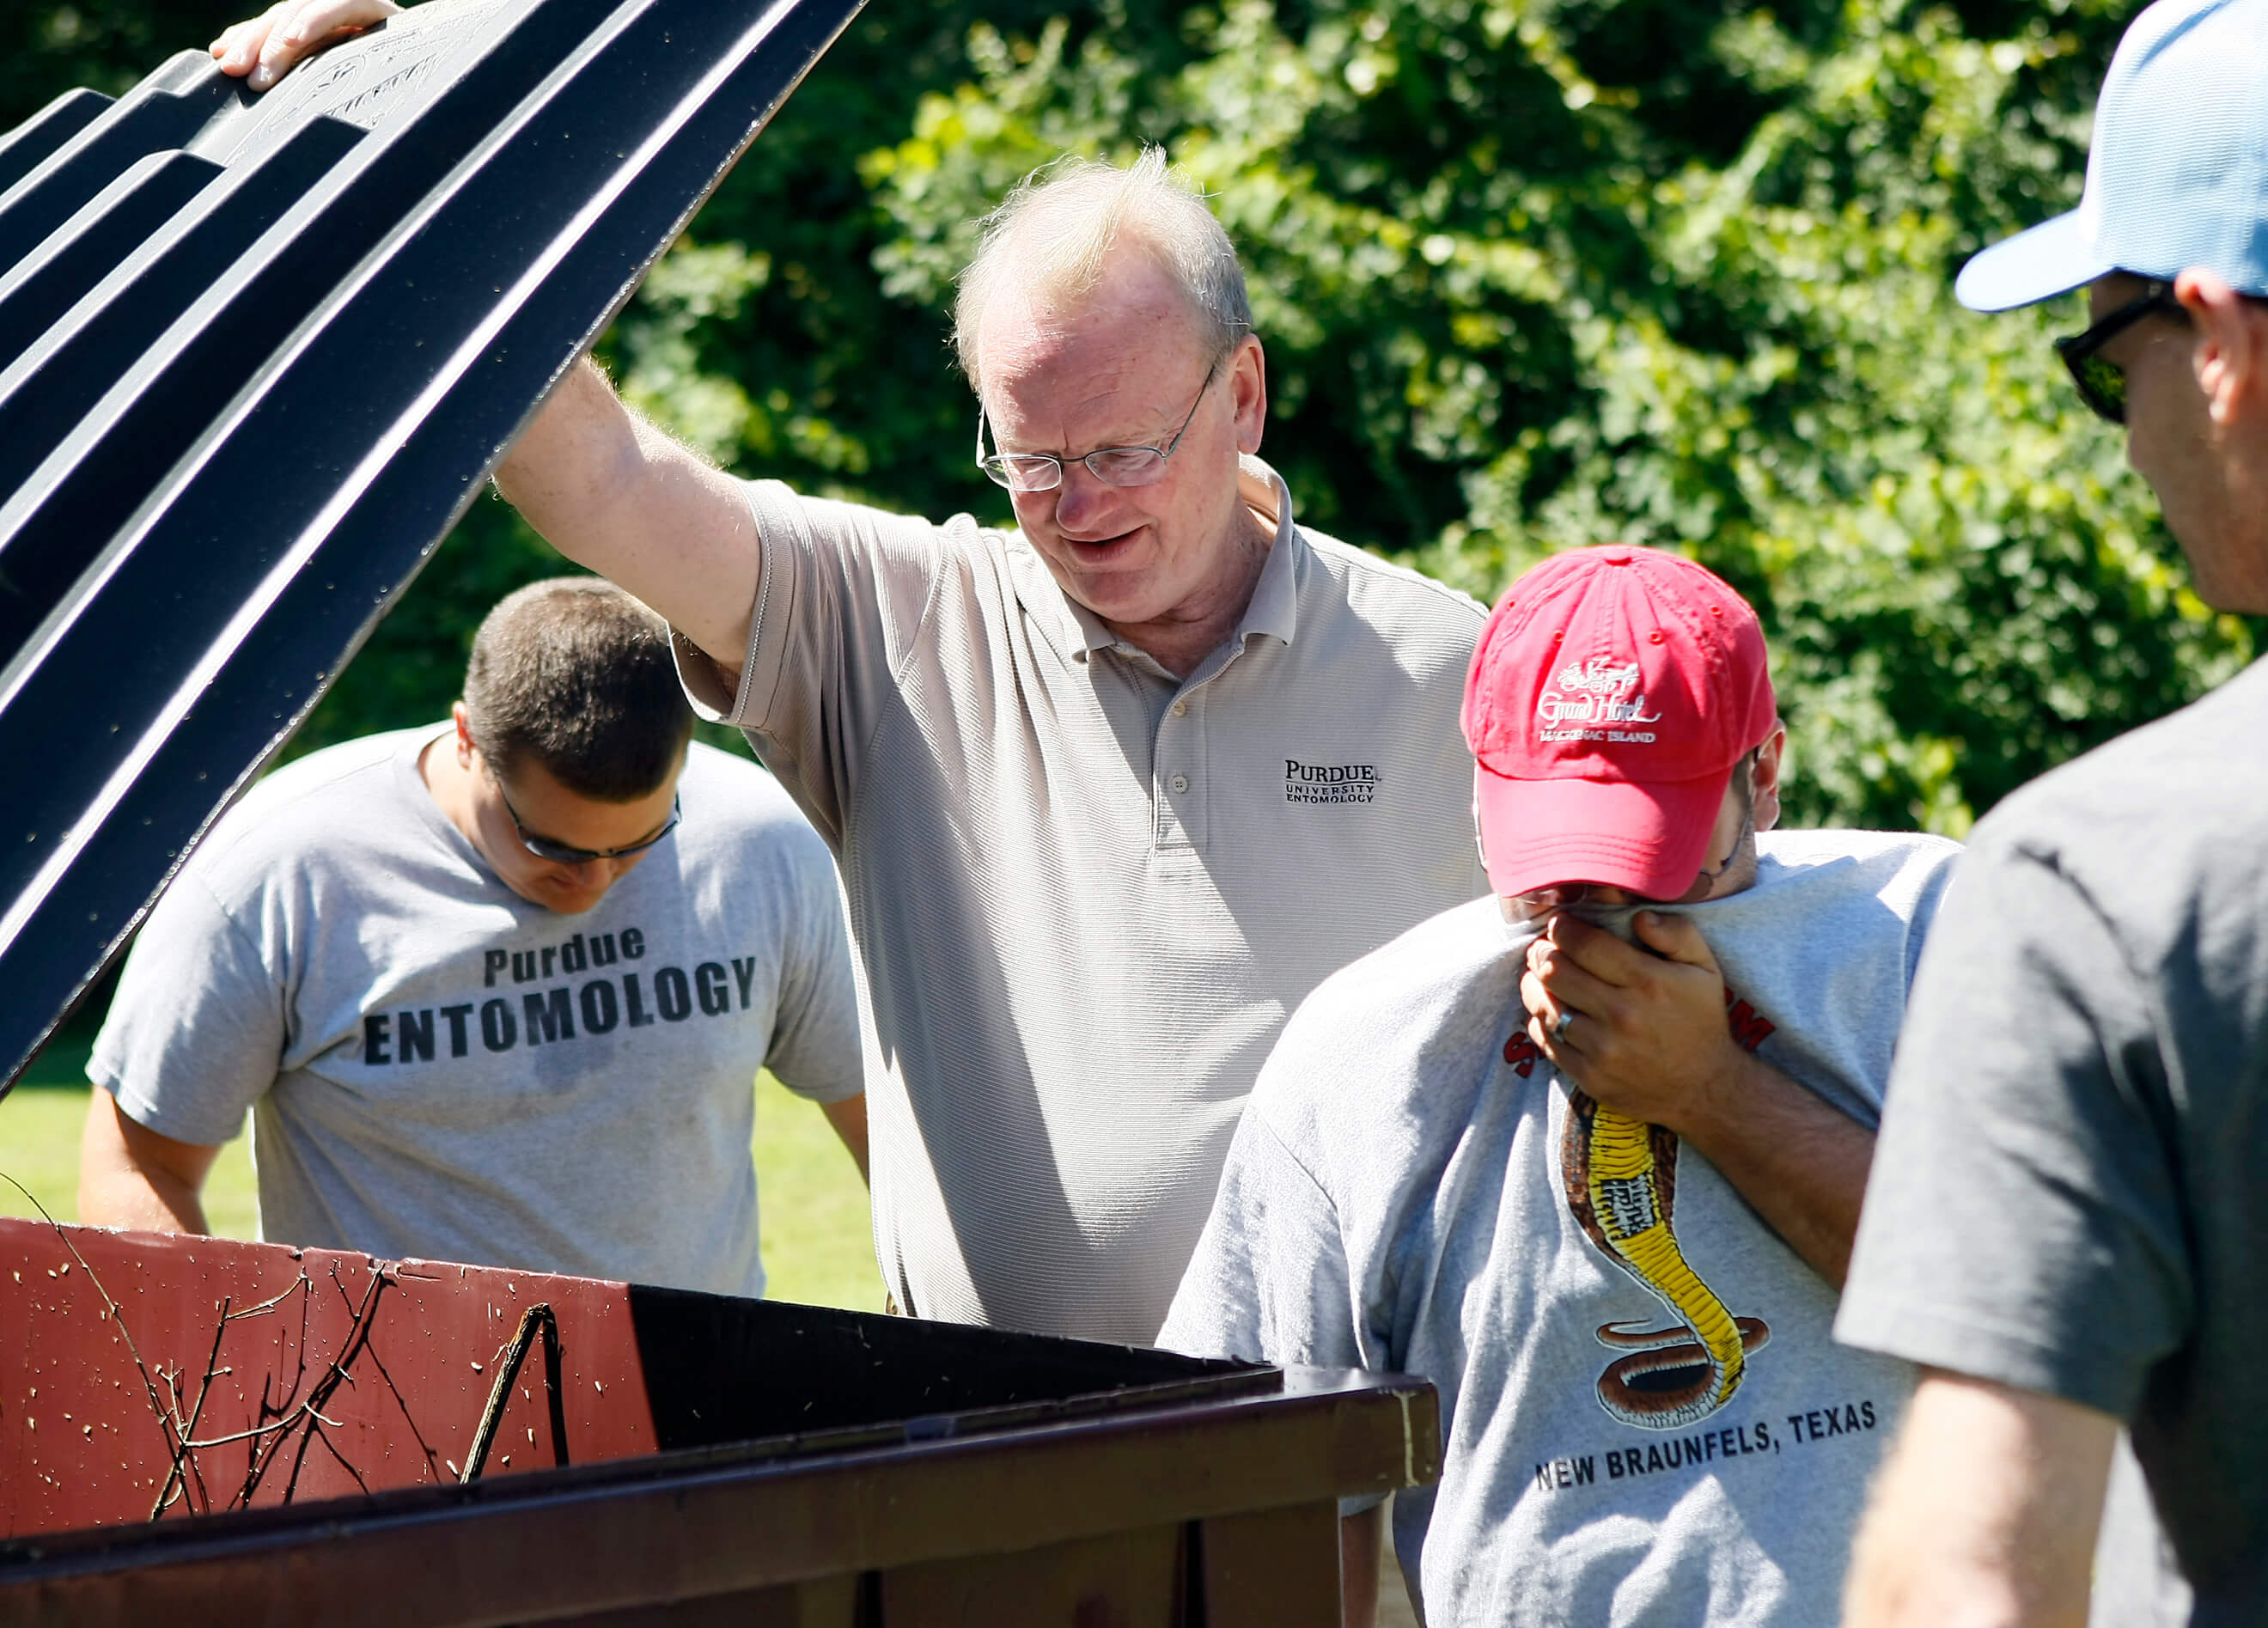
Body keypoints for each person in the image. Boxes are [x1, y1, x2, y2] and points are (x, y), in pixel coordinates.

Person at [202, 6, 1494, 1344]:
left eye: (1123, 449)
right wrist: (421, 145)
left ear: (1243, 393)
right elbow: (603, 477)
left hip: (1370, 1472)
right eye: (1029, 458)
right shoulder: (903, 628)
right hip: (1004, 1473)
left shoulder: (1449, 670)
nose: (1078, 506)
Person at [1160, 545, 1960, 1626]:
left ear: (1762, 775)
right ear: (1481, 786)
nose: (1588, 903)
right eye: (1555, 860)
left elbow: (2049, 1311)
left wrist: (1714, 1091)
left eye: (1648, 855)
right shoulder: (1365, 1048)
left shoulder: (1931, 939)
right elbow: (1268, 1481)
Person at [1836, 2, 2268, 1621]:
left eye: (2107, 364)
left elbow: (1969, 1581)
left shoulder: (2104, 885)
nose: (2133, 443)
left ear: (2217, 342)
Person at [78, 577, 867, 1299]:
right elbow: (139, 1158)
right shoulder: (280, 874)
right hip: (388, 1430)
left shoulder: (761, 845)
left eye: (638, 843)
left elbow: (895, 1129)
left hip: (696, 1412)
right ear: (466, 739)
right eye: (553, 845)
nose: (594, 883)